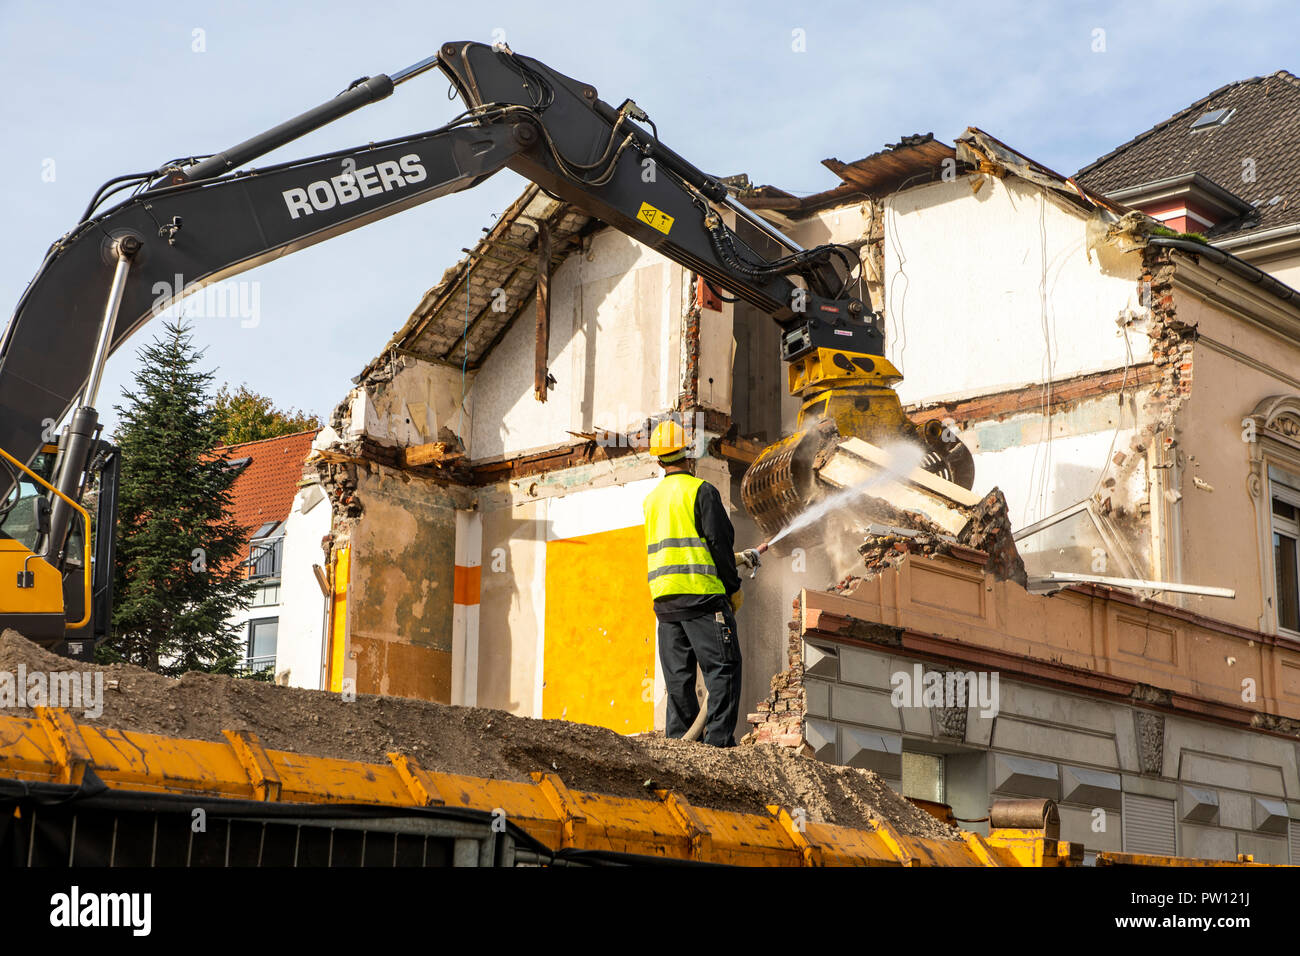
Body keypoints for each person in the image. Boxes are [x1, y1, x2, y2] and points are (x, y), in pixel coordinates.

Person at [642, 419, 743, 747]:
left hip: (665, 604)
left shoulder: (652, 501)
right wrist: (733, 588)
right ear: (689, 454)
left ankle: (679, 747)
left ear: (659, 461)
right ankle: (716, 747)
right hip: (702, 599)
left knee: (678, 682)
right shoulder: (702, 491)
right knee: (723, 670)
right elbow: (719, 545)